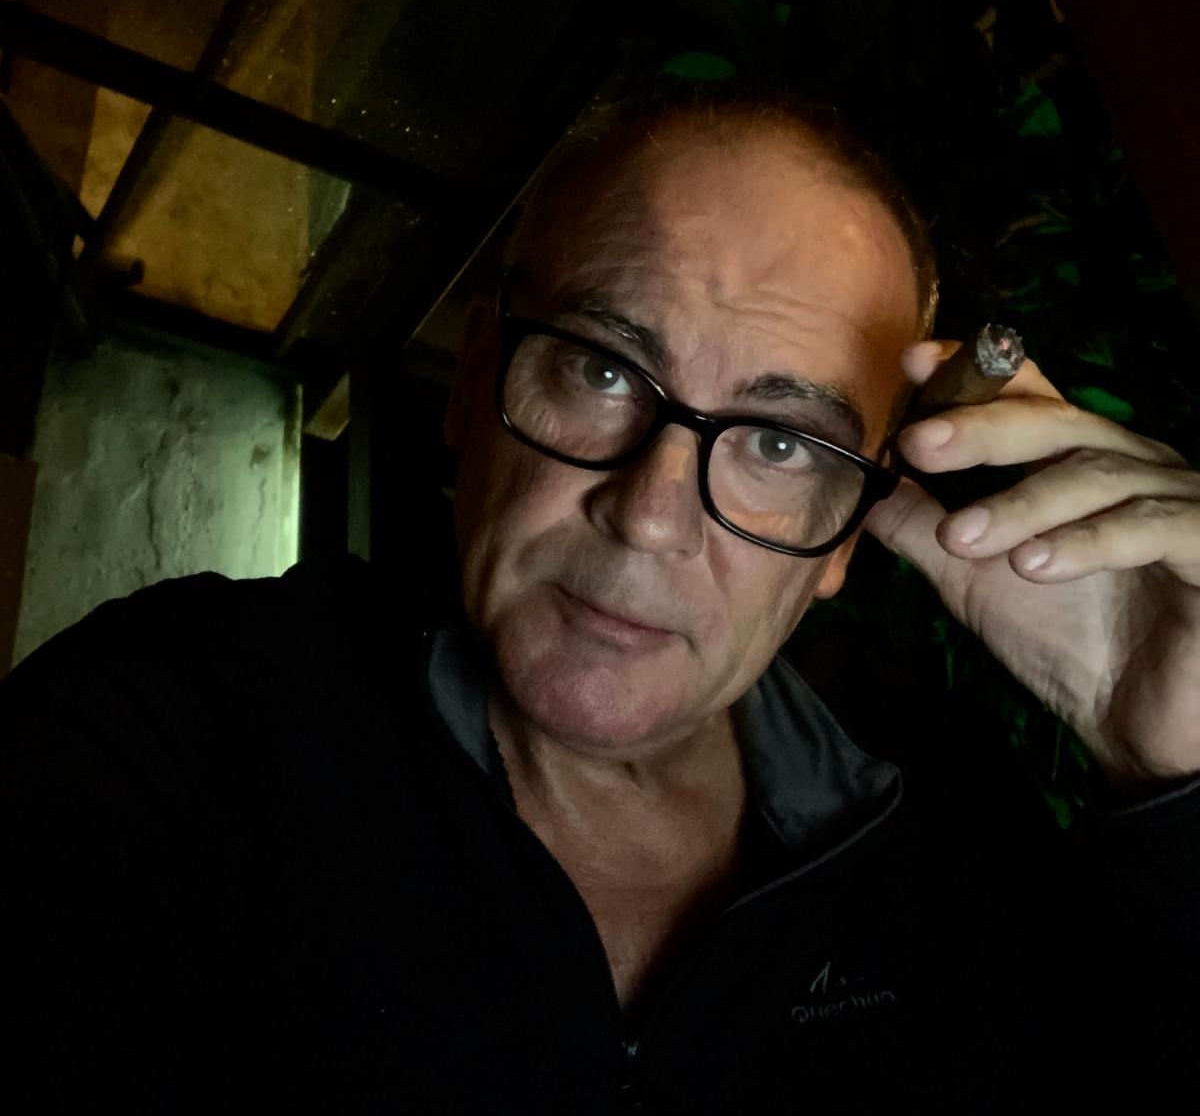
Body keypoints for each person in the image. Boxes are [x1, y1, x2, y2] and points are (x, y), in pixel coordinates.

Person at [3, 85, 1198, 1114]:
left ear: (846, 536)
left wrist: (1177, 772)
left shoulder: (951, 829)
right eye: (602, 369)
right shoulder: (187, 721)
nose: (650, 514)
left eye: (780, 442)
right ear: (475, 384)